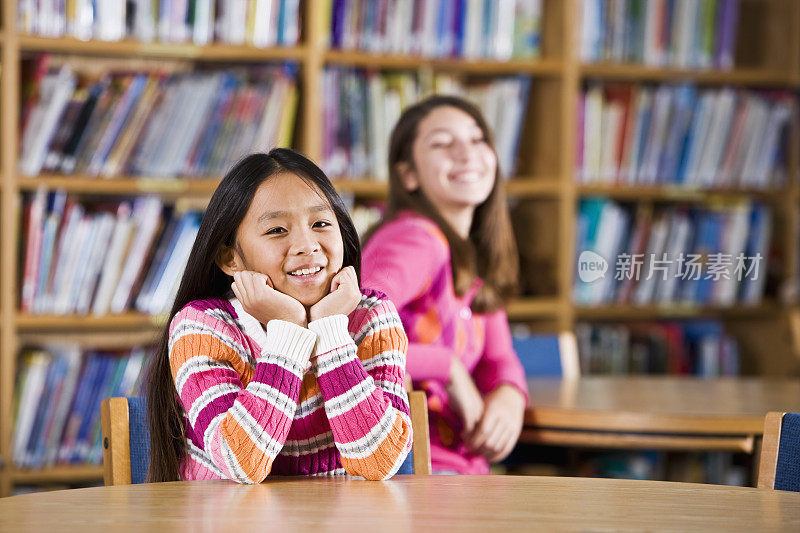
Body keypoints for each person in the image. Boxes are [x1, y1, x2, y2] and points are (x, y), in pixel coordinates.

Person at [146, 148, 412, 483]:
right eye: (276, 230)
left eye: (320, 224)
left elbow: (380, 462)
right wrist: (288, 331)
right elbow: (242, 462)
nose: (307, 244)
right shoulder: (203, 327)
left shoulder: (372, 316)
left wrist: (329, 330)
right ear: (230, 259)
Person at [362, 95, 528, 475]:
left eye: (477, 139)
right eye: (441, 143)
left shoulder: (468, 256)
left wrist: (509, 397)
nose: (466, 154)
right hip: (410, 474)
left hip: (454, 472)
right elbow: (350, 327)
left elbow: (500, 359)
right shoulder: (415, 239)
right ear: (409, 175)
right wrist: (447, 367)